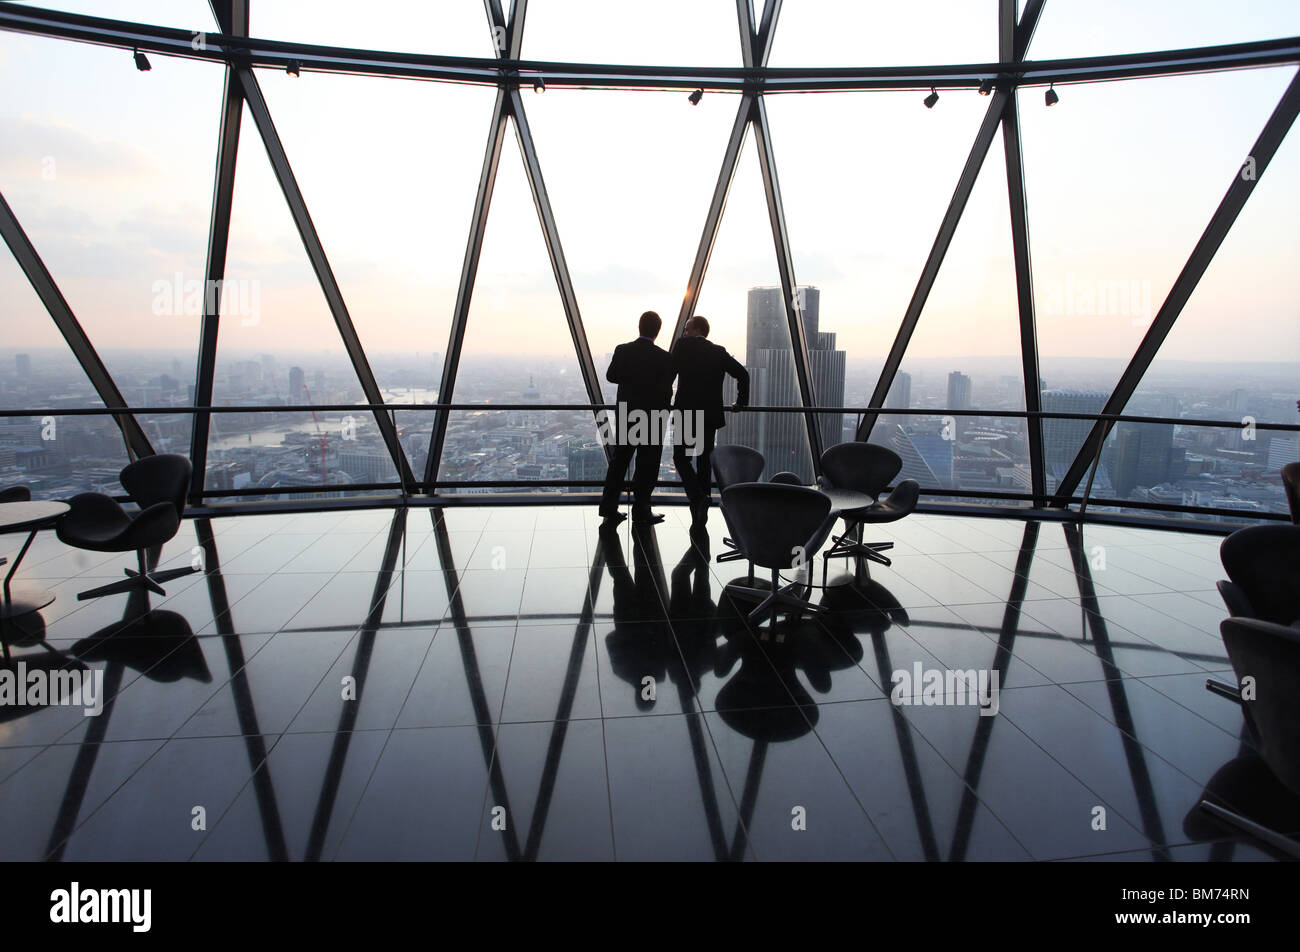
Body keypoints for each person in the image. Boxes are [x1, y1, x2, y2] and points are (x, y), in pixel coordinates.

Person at [670, 315, 748, 527]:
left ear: (696, 330)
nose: (684, 333)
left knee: (681, 458)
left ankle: (698, 499)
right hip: (709, 415)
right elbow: (743, 374)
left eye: (687, 329)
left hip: (686, 412)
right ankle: (700, 511)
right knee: (704, 461)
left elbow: (669, 372)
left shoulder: (682, 346)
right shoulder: (718, 351)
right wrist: (741, 402)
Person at [598, 311, 673, 526]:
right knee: (647, 466)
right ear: (657, 331)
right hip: (653, 418)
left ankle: (608, 508)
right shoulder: (664, 357)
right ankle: (641, 511)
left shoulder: (623, 350)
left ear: (639, 326)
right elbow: (666, 389)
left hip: (628, 415)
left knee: (619, 463)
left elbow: (611, 376)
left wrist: (631, 379)